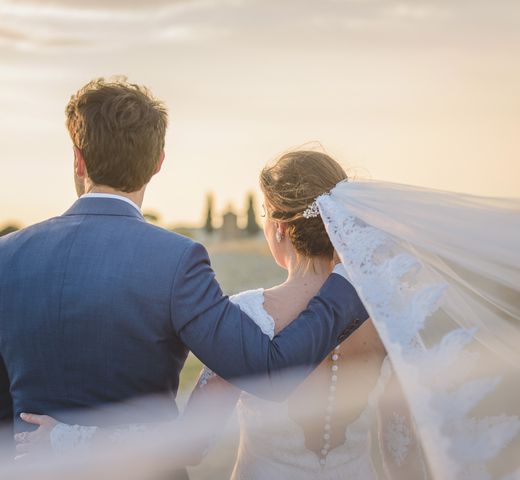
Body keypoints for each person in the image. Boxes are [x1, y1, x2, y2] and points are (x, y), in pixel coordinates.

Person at [0, 78, 369, 478]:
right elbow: (267, 372)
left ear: (78, 159)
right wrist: (347, 283)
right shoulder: (177, 260)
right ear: (159, 161)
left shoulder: (7, 256)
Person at [19, 152, 429, 479]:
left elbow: (189, 444)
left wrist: (69, 440)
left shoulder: (247, 316)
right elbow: (402, 453)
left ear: (280, 227)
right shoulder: (389, 319)